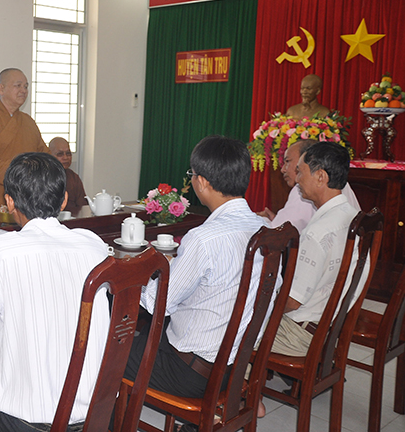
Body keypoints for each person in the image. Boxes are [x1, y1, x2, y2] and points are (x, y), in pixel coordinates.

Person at [0, 152, 110, 432]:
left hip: (30, 422)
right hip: (97, 415)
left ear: (10, 202)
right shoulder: (93, 245)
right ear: (63, 200)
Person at [123, 135, 267, 399]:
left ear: (201, 182)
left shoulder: (204, 238)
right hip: (235, 367)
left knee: (108, 350)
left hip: (191, 372)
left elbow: (156, 303)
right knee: (147, 336)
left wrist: (133, 276)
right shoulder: (266, 229)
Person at [271, 142, 367, 356]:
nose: (297, 180)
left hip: (299, 334)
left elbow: (292, 301)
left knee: (233, 332)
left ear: (321, 177)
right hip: (329, 328)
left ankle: (247, 375)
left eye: (301, 172)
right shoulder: (354, 217)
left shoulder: (318, 233)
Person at [0, 68, 50, 216]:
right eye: (18, 85)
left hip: (28, 200)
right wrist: (14, 172)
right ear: (1, 89)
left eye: (26, 86)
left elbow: (45, 156)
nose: (23, 90)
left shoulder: (29, 122)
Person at [260, 139, 360, 233]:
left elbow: (279, 235)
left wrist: (259, 219)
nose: (283, 169)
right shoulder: (340, 183)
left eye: (288, 161)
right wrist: (276, 219)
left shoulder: (302, 190)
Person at [49, 136, 87, 214]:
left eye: (68, 153)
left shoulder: (74, 178)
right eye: (60, 154)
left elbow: (83, 207)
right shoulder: (43, 178)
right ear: (49, 155)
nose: (65, 157)